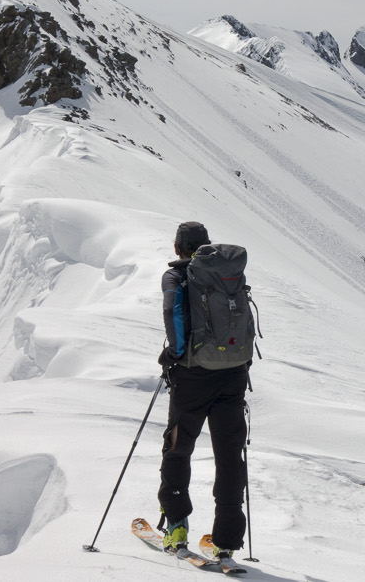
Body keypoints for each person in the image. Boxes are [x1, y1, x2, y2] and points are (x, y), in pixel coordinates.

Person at [158, 221, 250, 558]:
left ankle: (176, 526)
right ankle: (226, 541)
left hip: (193, 377)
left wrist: (174, 353)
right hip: (233, 375)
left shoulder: (177, 277)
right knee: (229, 457)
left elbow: (173, 311)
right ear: (207, 244)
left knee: (178, 448)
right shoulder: (229, 273)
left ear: (177, 247)